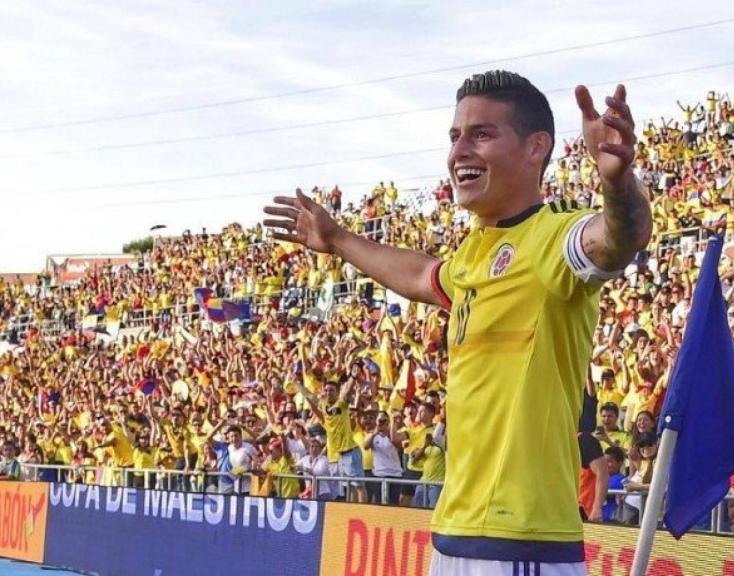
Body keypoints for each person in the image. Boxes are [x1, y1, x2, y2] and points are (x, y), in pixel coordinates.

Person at [264, 70, 652, 575]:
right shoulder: (474, 253)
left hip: (521, 544)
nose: (459, 152)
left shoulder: (555, 239)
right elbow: (422, 277)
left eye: (482, 134)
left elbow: (620, 237)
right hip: (453, 538)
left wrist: (618, 183)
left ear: (537, 148)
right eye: (454, 136)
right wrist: (337, 239)